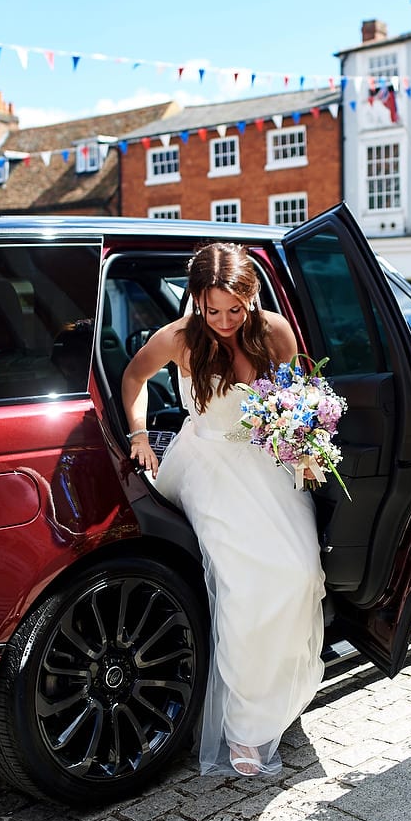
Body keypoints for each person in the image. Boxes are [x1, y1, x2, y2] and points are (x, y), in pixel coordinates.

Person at [120, 243, 324, 778]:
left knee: (299, 575)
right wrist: (140, 434)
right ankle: (244, 728)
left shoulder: (275, 332)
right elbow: (133, 379)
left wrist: (304, 445)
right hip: (206, 464)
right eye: (214, 310)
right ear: (197, 300)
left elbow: (293, 397)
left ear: (252, 296)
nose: (226, 321)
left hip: (266, 461)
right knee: (244, 585)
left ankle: (277, 695)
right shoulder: (179, 337)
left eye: (236, 309)